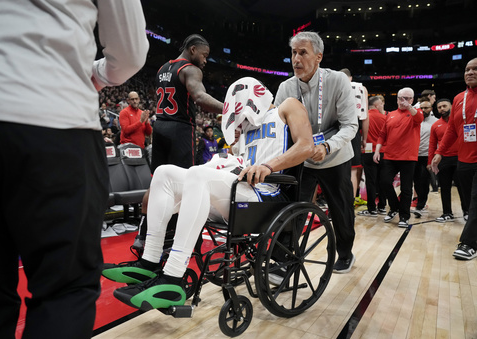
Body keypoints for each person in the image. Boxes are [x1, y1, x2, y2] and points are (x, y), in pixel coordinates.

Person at [0, 0, 149, 339]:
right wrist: (93, 75)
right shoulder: (126, 113)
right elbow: (131, 51)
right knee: (65, 290)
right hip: (55, 115)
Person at [103, 77, 314, 311]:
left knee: (197, 176)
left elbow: (306, 146)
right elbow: (238, 159)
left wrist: (268, 166)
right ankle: (150, 260)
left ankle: (172, 277)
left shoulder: (288, 106)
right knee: (164, 173)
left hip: (267, 194)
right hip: (240, 189)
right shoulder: (245, 126)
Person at [274, 31, 358, 273]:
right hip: (302, 158)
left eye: (303, 53)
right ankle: (285, 258)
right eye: (293, 53)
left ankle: (345, 253)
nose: (296, 59)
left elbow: (350, 125)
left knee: (341, 210)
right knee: (293, 210)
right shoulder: (286, 87)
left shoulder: (337, 81)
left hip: (334, 154)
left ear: (318, 56)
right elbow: (277, 126)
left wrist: (327, 146)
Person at [133, 34, 224, 249]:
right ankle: (179, 236)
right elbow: (200, 98)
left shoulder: (162, 68)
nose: (205, 60)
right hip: (180, 129)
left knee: (157, 183)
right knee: (185, 185)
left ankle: (143, 234)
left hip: (161, 128)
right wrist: (230, 107)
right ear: (193, 50)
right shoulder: (191, 70)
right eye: (204, 55)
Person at [432, 58, 477, 260]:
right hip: (464, 159)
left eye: (475, 69)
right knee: (468, 199)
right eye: (467, 69)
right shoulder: (459, 98)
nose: (470, 72)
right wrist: (440, 152)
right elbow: (451, 130)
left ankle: (469, 243)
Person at [374, 88, 423, 228]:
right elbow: (382, 134)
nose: (404, 101)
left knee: (407, 188)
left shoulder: (416, 112)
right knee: (384, 182)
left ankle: (404, 216)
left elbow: (418, 118)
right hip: (390, 156)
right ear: (397, 99)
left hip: (408, 157)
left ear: (412, 100)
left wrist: (410, 107)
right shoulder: (390, 115)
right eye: (401, 98)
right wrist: (377, 150)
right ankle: (394, 207)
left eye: (407, 98)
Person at [428, 99, 467, 222]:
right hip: (443, 159)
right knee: (444, 188)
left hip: (460, 158)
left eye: (444, 106)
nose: (442, 109)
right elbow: (432, 144)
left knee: (462, 187)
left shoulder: (459, 121)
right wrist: (430, 162)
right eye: (439, 107)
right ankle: (447, 213)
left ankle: (466, 212)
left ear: (451, 106)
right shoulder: (435, 125)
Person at [340, 68, 369, 208]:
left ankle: (336, 200)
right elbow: (365, 117)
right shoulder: (361, 88)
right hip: (353, 127)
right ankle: (350, 202)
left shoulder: (334, 84)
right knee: (353, 169)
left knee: (336, 167)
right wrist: (364, 139)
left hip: (336, 127)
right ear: (350, 78)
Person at [358, 96, 388, 216]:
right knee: (382, 180)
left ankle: (371, 208)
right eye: (381, 104)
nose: (382, 106)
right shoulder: (385, 118)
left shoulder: (364, 118)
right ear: (376, 105)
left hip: (369, 151)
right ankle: (382, 206)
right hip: (383, 151)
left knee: (371, 181)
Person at [411, 100, 438, 217]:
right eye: (421, 108)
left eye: (426, 108)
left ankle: (420, 205)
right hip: (413, 155)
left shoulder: (435, 122)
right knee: (416, 181)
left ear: (431, 109)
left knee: (424, 180)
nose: (423, 110)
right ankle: (419, 202)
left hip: (427, 156)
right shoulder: (414, 121)